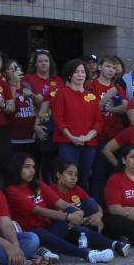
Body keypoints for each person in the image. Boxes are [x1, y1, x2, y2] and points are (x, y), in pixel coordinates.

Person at [5, 153, 117, 263]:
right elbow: (38, 210)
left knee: (75, 225)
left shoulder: (38, 184)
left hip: (51, 228)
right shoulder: (12, 190)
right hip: (32, 233)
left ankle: (115, 245)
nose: (32, 170)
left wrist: (78, 213)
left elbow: (61, 203)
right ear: (17, 168)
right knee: (58, 229)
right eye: (27, 167)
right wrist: (68, 217)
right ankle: (88, 255)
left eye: (33, 167)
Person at [52, 59, 102, 189]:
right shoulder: (62, 93)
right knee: (67, 177)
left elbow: (98, 121)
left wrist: (88, 137)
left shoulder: (91, 96)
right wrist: (72, 137)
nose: (80, 75)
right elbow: (58, 119)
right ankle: (67, 206)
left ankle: (83, 204)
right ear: (69, 75)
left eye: (82, 72)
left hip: (89, 143)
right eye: (76, 72)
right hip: (68, 142)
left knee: (83, 177)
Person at [87, 56, 128, 196]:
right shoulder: (90, 85)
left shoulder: (117, 86)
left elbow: (126, 108)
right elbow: (90, 111)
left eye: (114, 68)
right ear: (100, 67)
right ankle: (98, 208)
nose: (111, 70)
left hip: (116, 136)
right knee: (99, 175)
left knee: (115, 174)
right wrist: (106, 98)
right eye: (108, 66)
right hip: (98, 136)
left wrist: (107, 109)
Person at [48, 159, 106, 235]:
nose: (73, 178)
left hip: (82, 221)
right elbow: (56, 214)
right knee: (83, 230)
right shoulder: (50, 190)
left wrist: (98, 215)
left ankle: (94, 231)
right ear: (59, 175)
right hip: (65, 224)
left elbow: (96, 205)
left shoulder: (76, 189)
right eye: (70, 174)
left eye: (76, 175)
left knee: (90, 201)